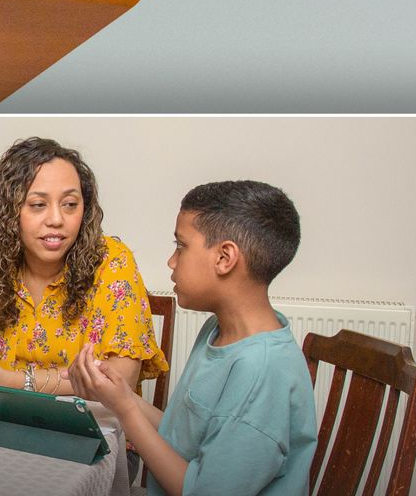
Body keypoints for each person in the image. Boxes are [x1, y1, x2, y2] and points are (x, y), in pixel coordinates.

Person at [69, 181, 318, 496]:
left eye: (181, 246)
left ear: (224, 258)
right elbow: (181, 437)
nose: (172, 261)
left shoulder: (263, 372)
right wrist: (121, 397)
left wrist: (126, 411)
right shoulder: (220, 331)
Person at [0, 138, 164, 394]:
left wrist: (18, 383)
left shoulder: (113, 262)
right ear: (9, 212)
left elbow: (122, 378)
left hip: (89, 428)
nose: (57, 219)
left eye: (70, 204)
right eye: (38, 205)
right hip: (2, 421)